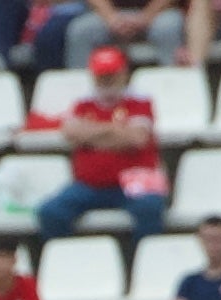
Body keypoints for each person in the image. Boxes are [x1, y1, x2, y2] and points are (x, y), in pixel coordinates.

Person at [38, 47, 167, 244]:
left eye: (111, 74)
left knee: (150, 208)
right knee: (51, 212)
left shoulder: (140, 101)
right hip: (89, 185)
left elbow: (136, 139)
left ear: (124, 73)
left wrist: (90, 135)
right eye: (101, 75)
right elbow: (70, 133)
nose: (106, 80)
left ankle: (141, 264)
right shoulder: (83, 103)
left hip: (134, 181)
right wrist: (115, 130)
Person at [60, 0, 188, 70]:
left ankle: (173, 88)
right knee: (80, 30)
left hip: (157, 13)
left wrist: (145, 17)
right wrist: (111, 18)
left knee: (168, 27)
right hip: (111, 15)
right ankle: (82, 97)